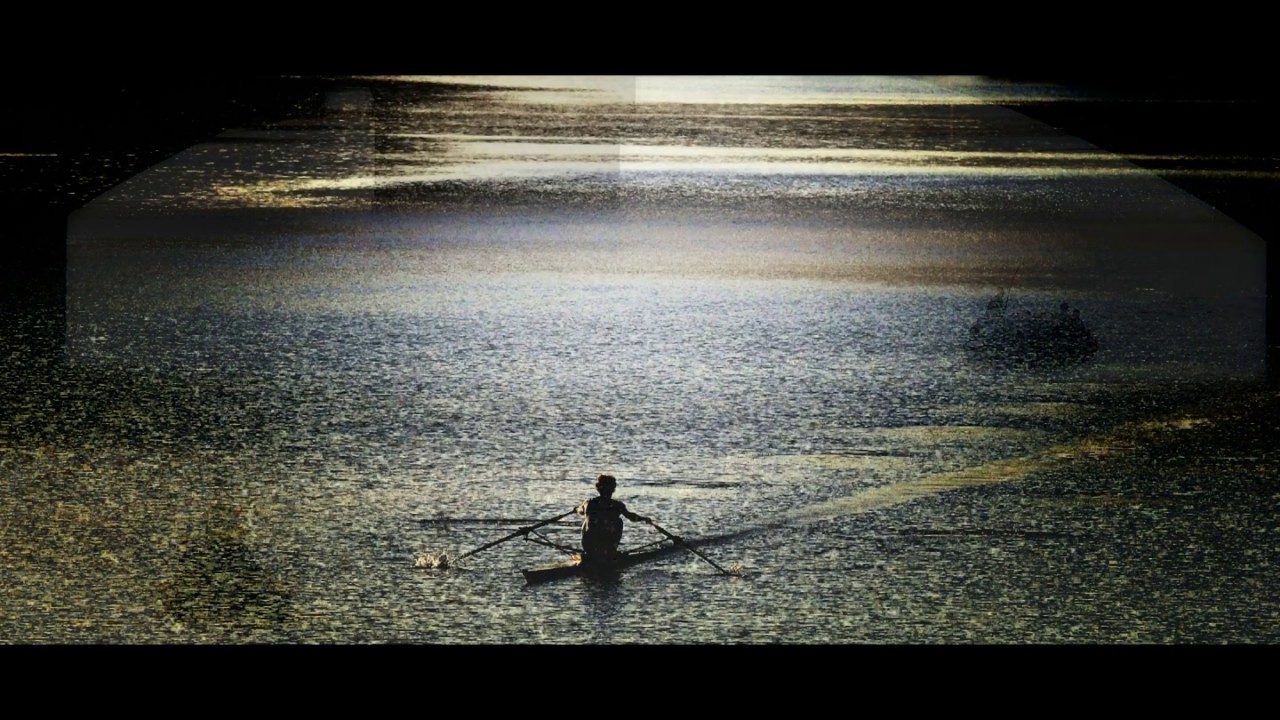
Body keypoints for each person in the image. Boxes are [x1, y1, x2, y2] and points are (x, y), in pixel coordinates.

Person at [576, 474, 650, 563]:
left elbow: (579, 510)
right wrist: (644, 519)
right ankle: (611, 551)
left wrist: (578, 509)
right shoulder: (618, 505)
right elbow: (631, 517)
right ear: (613, 489)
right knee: (619, 521)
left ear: (598, 488)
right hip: (606, 546)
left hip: (589, 545)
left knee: (587, 519)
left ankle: (591, 553)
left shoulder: (588, 503)